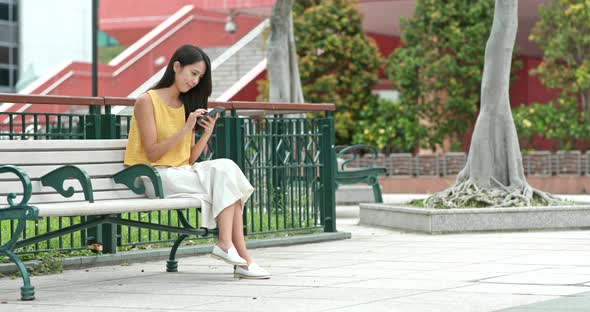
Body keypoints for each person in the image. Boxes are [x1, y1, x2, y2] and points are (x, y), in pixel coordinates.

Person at [123, 44, 270, 279]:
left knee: (227, 168)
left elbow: (188, 158)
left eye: (199, 77)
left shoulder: (186, 106)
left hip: (179, 173)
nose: (195, 81)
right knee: (225, 178)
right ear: (176, 66)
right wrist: (186, 129)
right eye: (193, 73)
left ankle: (230, 248)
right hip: (152, 176)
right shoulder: (146, 101)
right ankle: (241, 258)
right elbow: (151, 154)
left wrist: (206, 133)